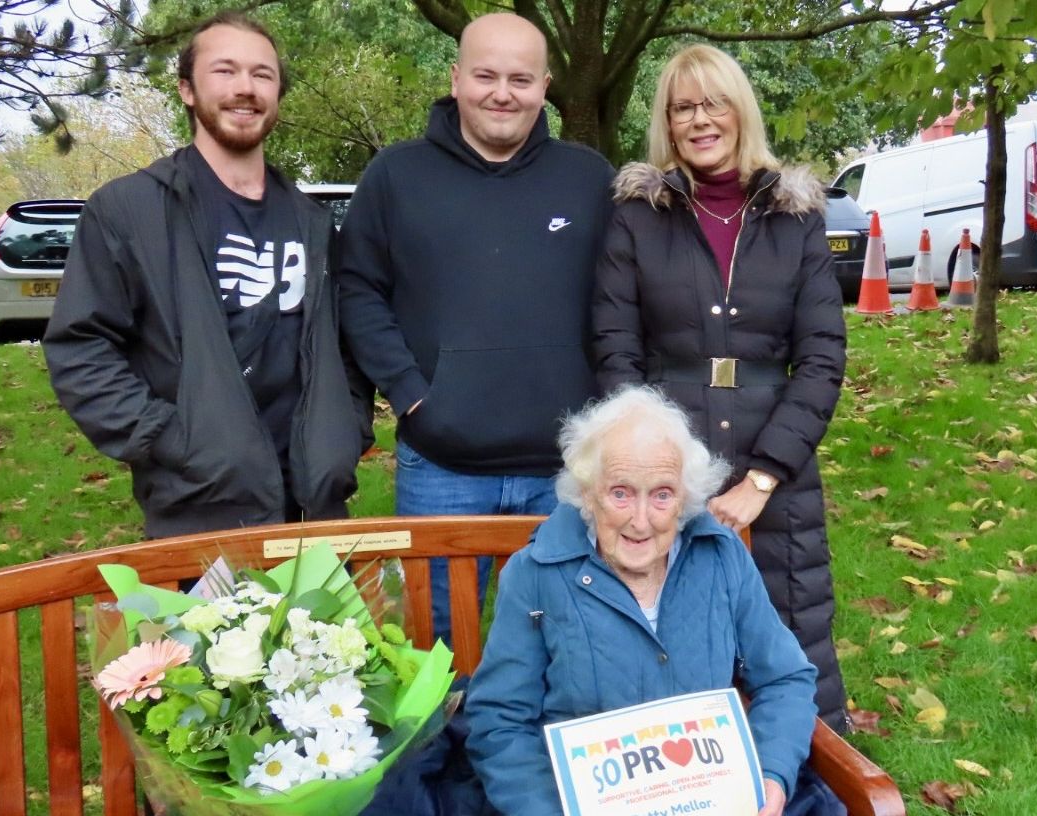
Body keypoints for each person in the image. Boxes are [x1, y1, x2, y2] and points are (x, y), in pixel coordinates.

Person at [592, 44, 850, 732]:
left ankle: (803, 784)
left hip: (776, 464)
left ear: (740, 110)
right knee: (669, 635)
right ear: (667, 123)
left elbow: (822, 358)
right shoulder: (638, 217)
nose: (700, 120)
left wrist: (761, 480)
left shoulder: (795, 219)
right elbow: (616, 352)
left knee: (791, 633)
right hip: (668, 463)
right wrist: (658, 471)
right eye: (683, 108)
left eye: (714, 103)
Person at [337, 13, 614, 642]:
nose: (502, 93)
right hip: (443, 464)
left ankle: (537, 745)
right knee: (434, 652)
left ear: (544, 87)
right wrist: (409, 392)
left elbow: (622, 299)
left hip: (567, 468)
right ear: (457, 78)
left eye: (520, 78)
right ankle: (440, 746)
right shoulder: (395, 176)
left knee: (569, 643)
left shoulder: (589, 179)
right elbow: (357, 288)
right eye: (486, 75)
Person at [44, 12, 372, 538]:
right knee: (207, 628)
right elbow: (80, 350)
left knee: (323, 626)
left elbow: (347, 346)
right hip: (198, 509)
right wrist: (172, 439)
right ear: (187, 90)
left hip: (314, 509)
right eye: (225, 71)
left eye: (262, 74)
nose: (245, 88)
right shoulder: (130, 212)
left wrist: (346, 431)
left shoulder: (313, 224)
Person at [466, 386, 821, 816]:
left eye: (661, 495)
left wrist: (769, 773)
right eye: (620, 492)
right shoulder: (534, 574)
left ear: (685, 500)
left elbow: (785, 679)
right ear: (587, 493)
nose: (640, 520)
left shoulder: (721, 556)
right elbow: (500, 721)